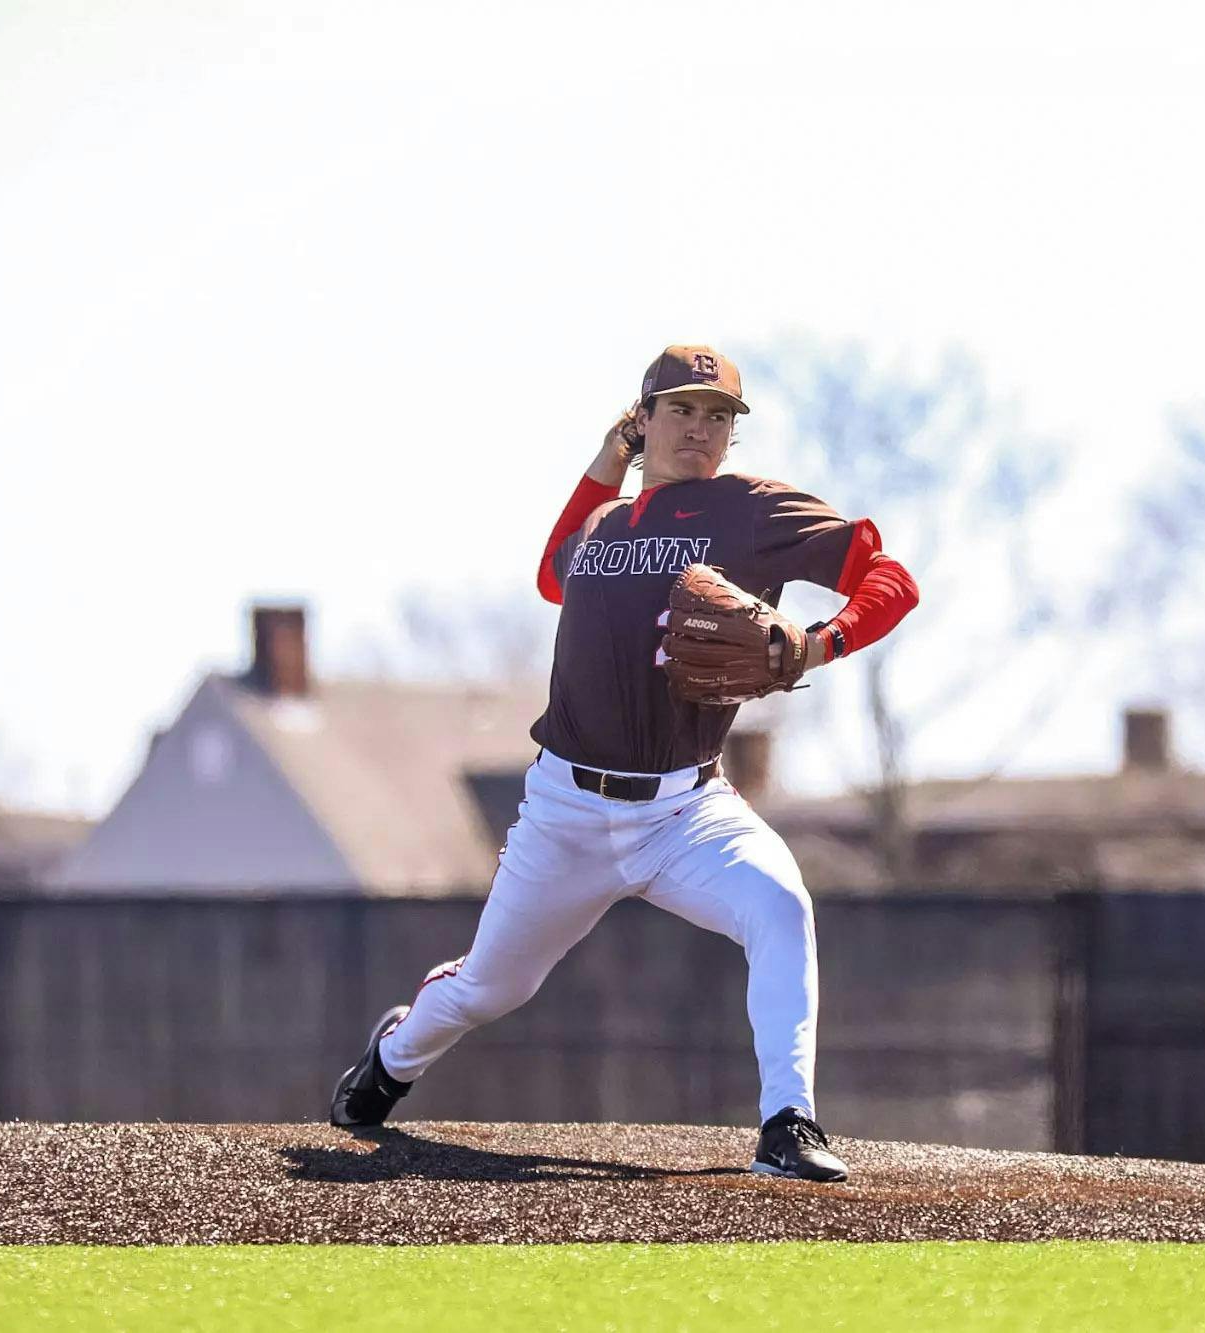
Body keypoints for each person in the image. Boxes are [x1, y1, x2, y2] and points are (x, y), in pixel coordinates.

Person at [330, 345, 920, 1181]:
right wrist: (607, 462)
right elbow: (549, 573)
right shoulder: (606, 523)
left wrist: (820, 643)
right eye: (681, 409)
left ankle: (788, 1121)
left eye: (719, 417)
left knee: (782, 907)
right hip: (566, 809)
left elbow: (891, 577)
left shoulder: (752, 510)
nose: (701, 429)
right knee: (489, 991)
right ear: (643, 421)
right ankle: (390, 1061)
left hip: (687, 808)